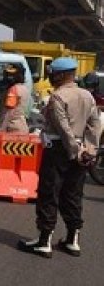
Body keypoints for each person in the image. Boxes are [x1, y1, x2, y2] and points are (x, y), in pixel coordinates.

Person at [18, 57, 100, 258]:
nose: (51, 76)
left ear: (61, 75)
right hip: (82, 152)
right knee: (73, 194)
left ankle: (44, 241)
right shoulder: (87, 95)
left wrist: (74, 149)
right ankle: (72, 240)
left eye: (53, 73)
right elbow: (95, 125)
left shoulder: (58, 97)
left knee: (49, 193)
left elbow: (63, 128)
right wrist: (89, 150)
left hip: (58, 150)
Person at [0, 63, 30, 133]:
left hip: (12, 129)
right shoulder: (24, 88)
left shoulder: (13, 90)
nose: (9, 77)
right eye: (8, 74)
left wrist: (0, 130)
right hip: (22, 126)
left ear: (18, 75)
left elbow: (8, 113)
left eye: (12, 75)